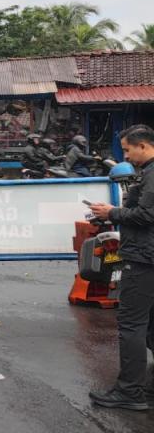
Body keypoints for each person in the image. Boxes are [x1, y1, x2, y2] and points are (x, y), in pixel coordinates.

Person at [88, 124, 154, 410]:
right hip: (147, 254)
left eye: (128, 150)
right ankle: (145, 387)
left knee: (131, 325)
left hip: (143, 259)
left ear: (144, 146)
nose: (126, 156)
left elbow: (145, 215)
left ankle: (130, 392)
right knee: (149, 326)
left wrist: (111, 212)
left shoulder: (152, 174)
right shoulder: (147, 173)